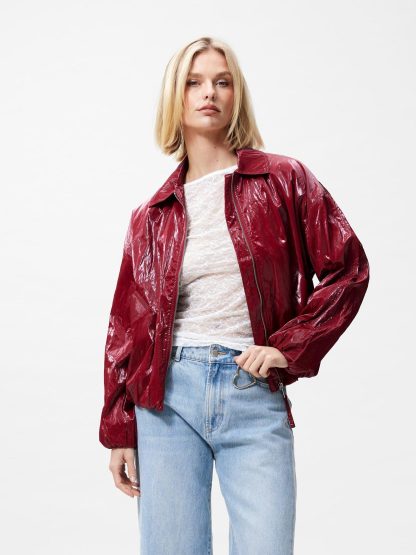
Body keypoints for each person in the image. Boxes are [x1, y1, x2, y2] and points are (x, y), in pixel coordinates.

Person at [99, 36, 370, 555]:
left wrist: (289, 347)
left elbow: (348, 270)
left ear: (236, 95)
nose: (209, 93)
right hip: (167, 400)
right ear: (175, 97)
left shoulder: (283, 179)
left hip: (252, 390)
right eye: (194, 82)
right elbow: (125, 329)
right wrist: (119, 428)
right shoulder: (150, 216)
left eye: (222, 82)